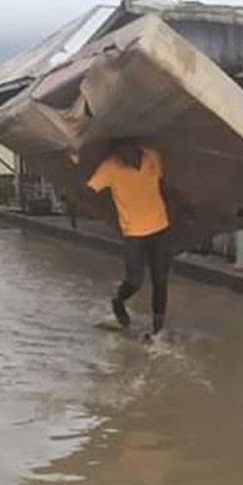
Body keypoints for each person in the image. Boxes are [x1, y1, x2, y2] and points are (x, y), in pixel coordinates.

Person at [85, 137, 174, 336]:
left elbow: (160, 185)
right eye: (119, 154)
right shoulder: (109, 167)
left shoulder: (152, 156)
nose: (123, 158)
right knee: (135, 281)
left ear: (136, 148)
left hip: (160, 227)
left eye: (126, 152)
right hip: (133, 232)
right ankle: (118, 301)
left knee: (160, 279)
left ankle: (157, 331)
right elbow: (89, 189)